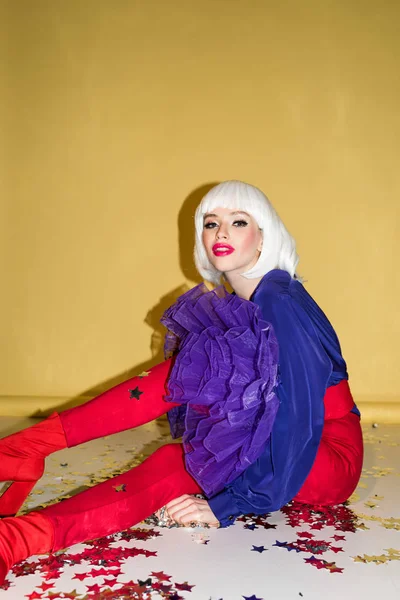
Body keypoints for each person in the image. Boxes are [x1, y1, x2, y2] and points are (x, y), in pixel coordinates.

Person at [0, 180, 363, 583]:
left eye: (238, 222)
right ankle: (23, 475)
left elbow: (297, 418)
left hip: (320, 453)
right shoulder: (251, 300)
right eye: (211, 223)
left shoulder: (278, 299)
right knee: (187, 383)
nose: (221, 232)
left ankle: (18, 497)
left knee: (177, 454)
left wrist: (231, 503)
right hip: (276, 434)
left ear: (264, 239)